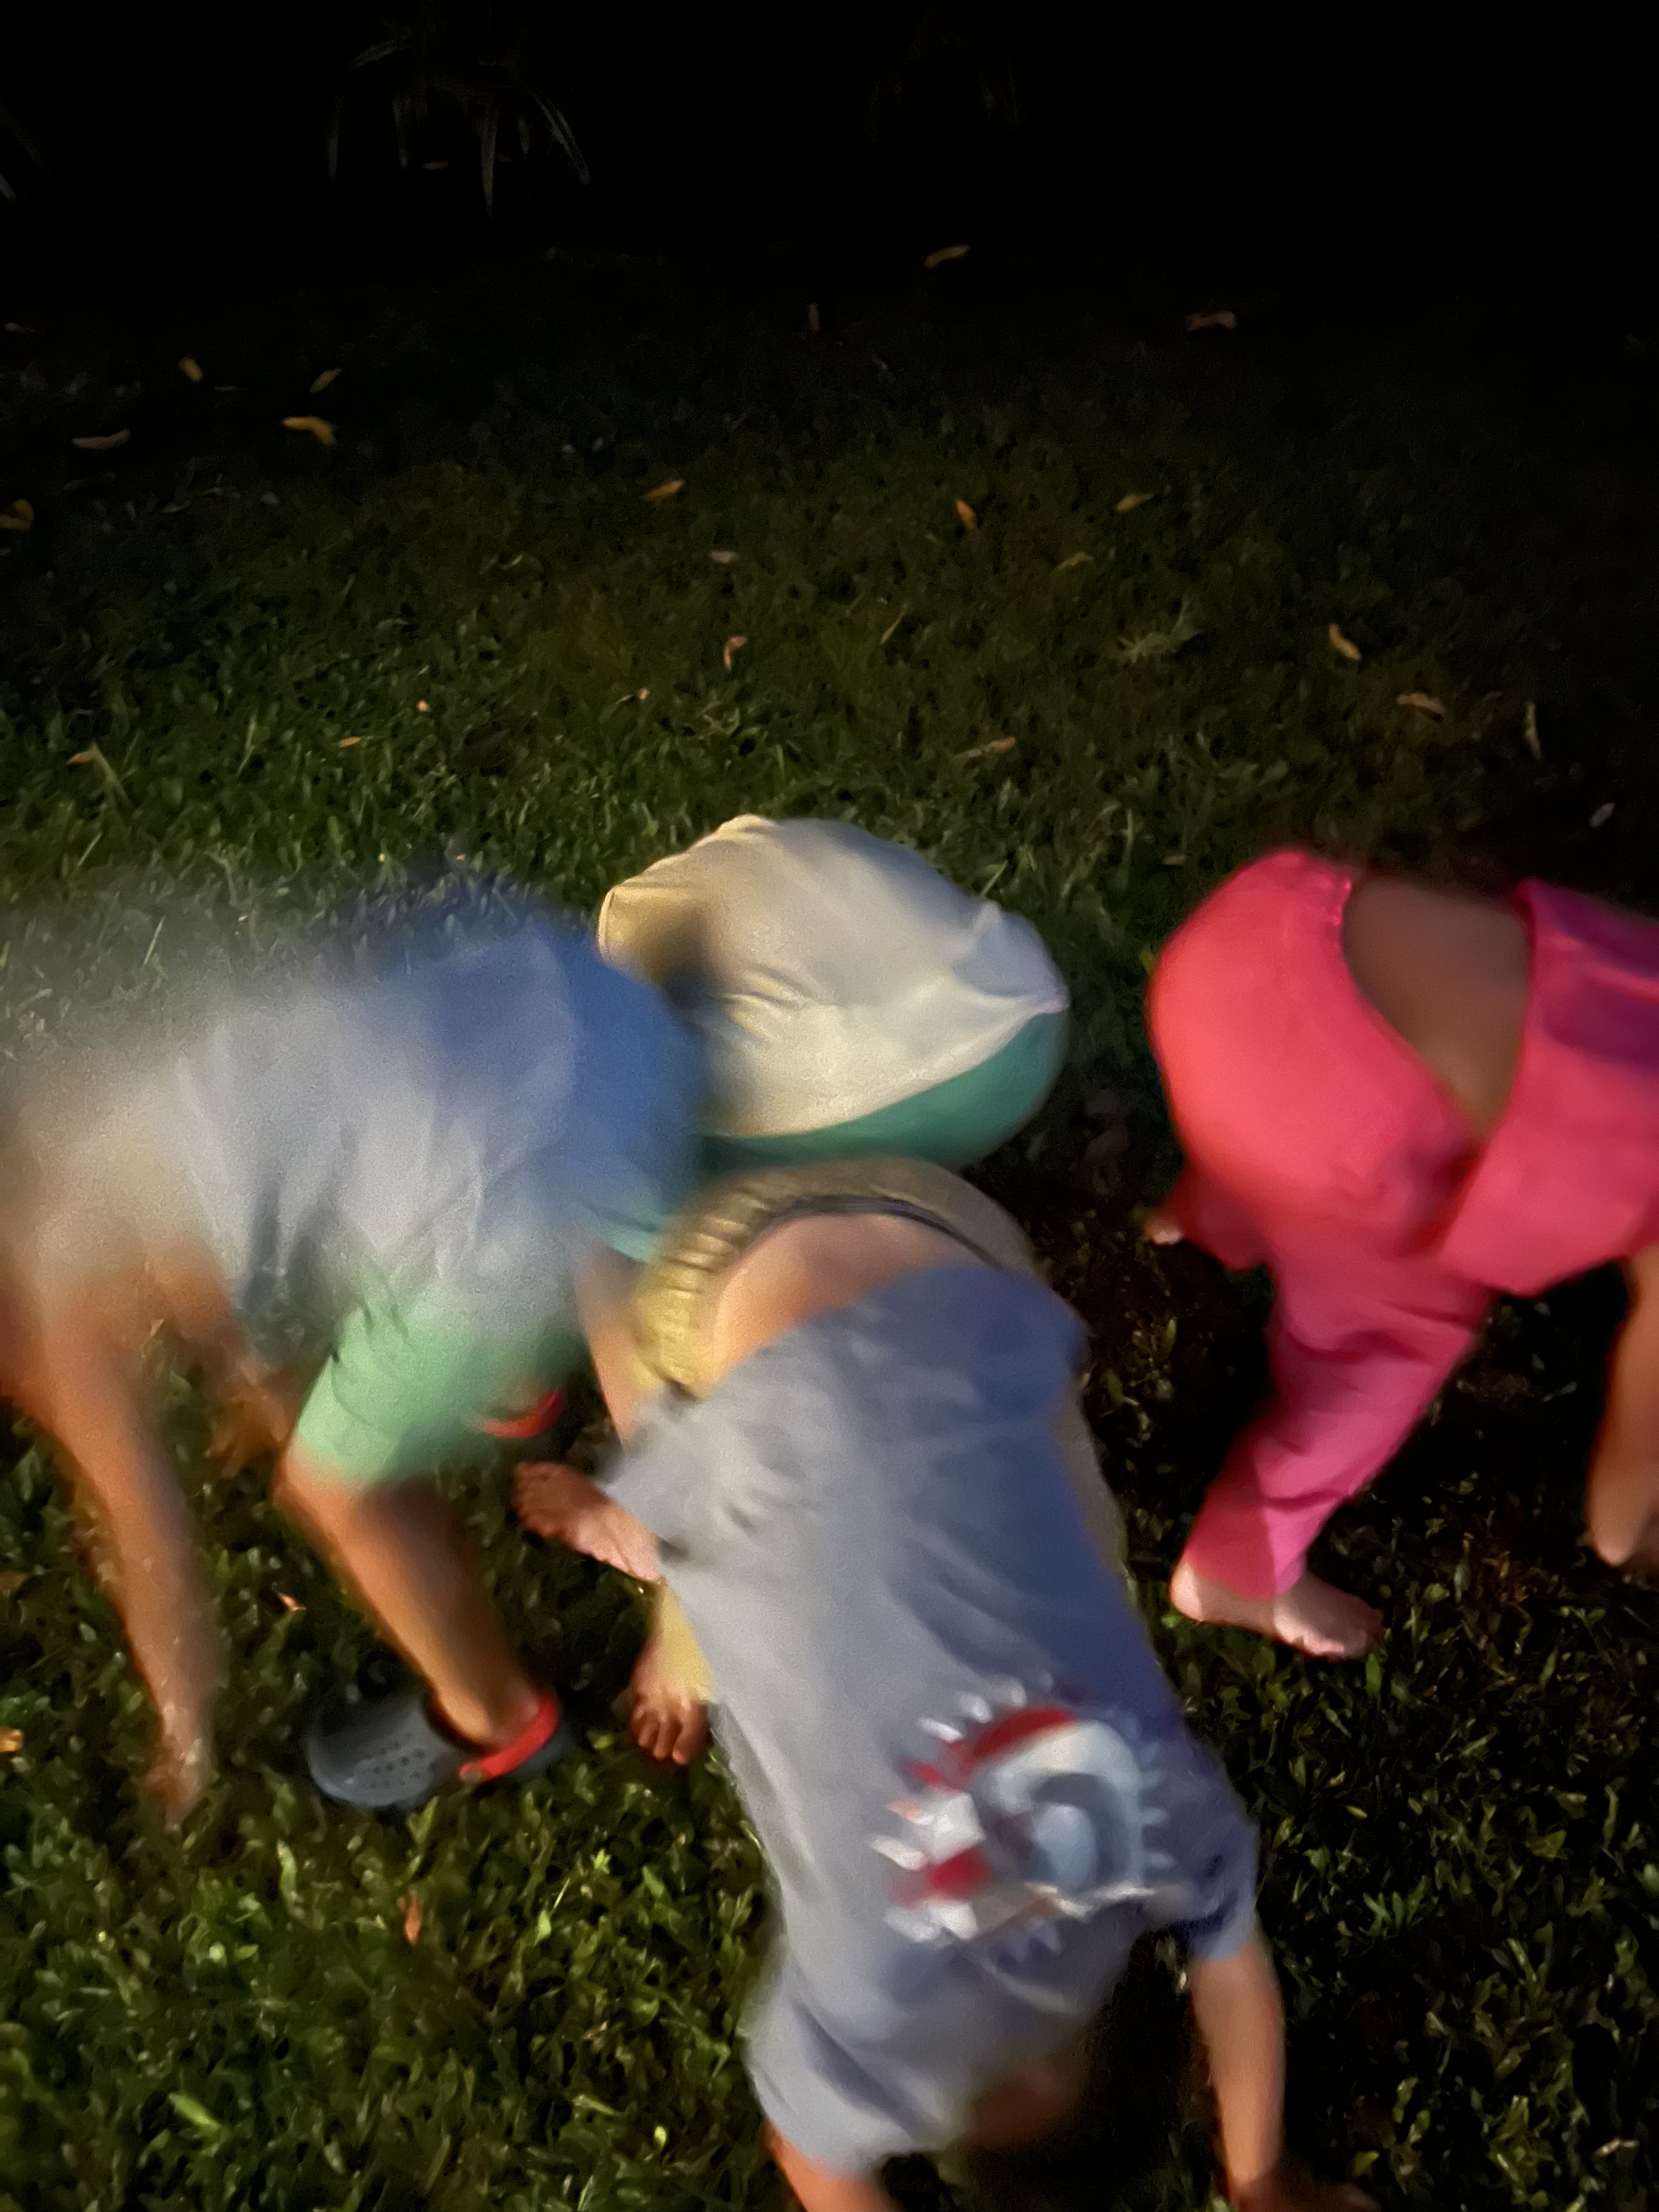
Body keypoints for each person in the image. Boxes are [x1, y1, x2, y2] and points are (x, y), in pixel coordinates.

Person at [518, 1155, 1368, 2212]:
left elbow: (1235, 1965)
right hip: (725, 1273)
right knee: (699, 1487)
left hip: (964, 1246)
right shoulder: (869, 2010)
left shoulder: (1165, 1827)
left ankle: (668, 1542)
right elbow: (812, 2156)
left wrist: (1260, 2174)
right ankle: (582, 1221)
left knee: (1043, 1531)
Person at [0, 899, 696, 1818]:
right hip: (591, 1027)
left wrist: (182, 1734)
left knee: (335, 1485)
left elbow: (151, 1543)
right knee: (372, 1208)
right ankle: (513, 1382)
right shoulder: (90, 1123)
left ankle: (498, 1717)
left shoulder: (58, 1323)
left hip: (520, 1211)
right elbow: (212, 1274)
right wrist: (256, 1381)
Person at [1146, 847, 1659, 1659]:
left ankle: (1210, 1213)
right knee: (1395, 1340)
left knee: (1300, 1122)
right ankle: (1235, 1569)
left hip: (1258, 940)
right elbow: (1627, 1498)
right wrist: (1633, 1526)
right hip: (1313, 1113)